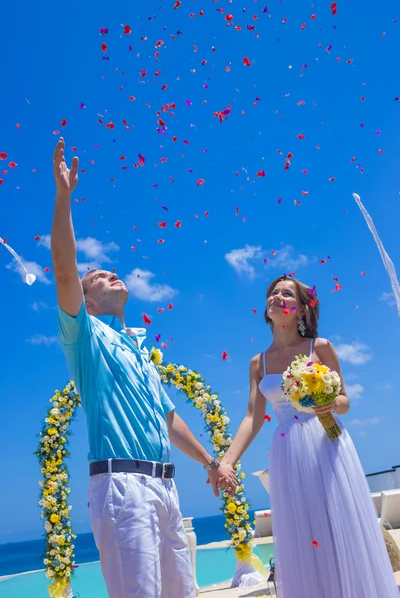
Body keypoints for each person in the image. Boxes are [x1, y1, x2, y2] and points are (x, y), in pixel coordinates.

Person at [51, 138, 237, 598]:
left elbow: (168, 419)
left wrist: (213, 463)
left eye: (111, 271)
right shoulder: (86, 339)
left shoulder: (138, 351)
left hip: (165, 487)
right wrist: (63, 197)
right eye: (98, 278)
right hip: (121, 487)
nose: (111, 273)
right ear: (87, 302)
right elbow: (63, 270)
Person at [219, 275, 399, 597]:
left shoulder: (321, 347)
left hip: (326, 442)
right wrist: (228, 461)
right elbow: (252, 417)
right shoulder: (257, 363)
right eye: (273, 292)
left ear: (301, 310)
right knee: (301, 537)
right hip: (287, 452)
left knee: (338, 527)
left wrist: (327, 402)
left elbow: (344, 402)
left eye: (286, 293)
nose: (277, 296)